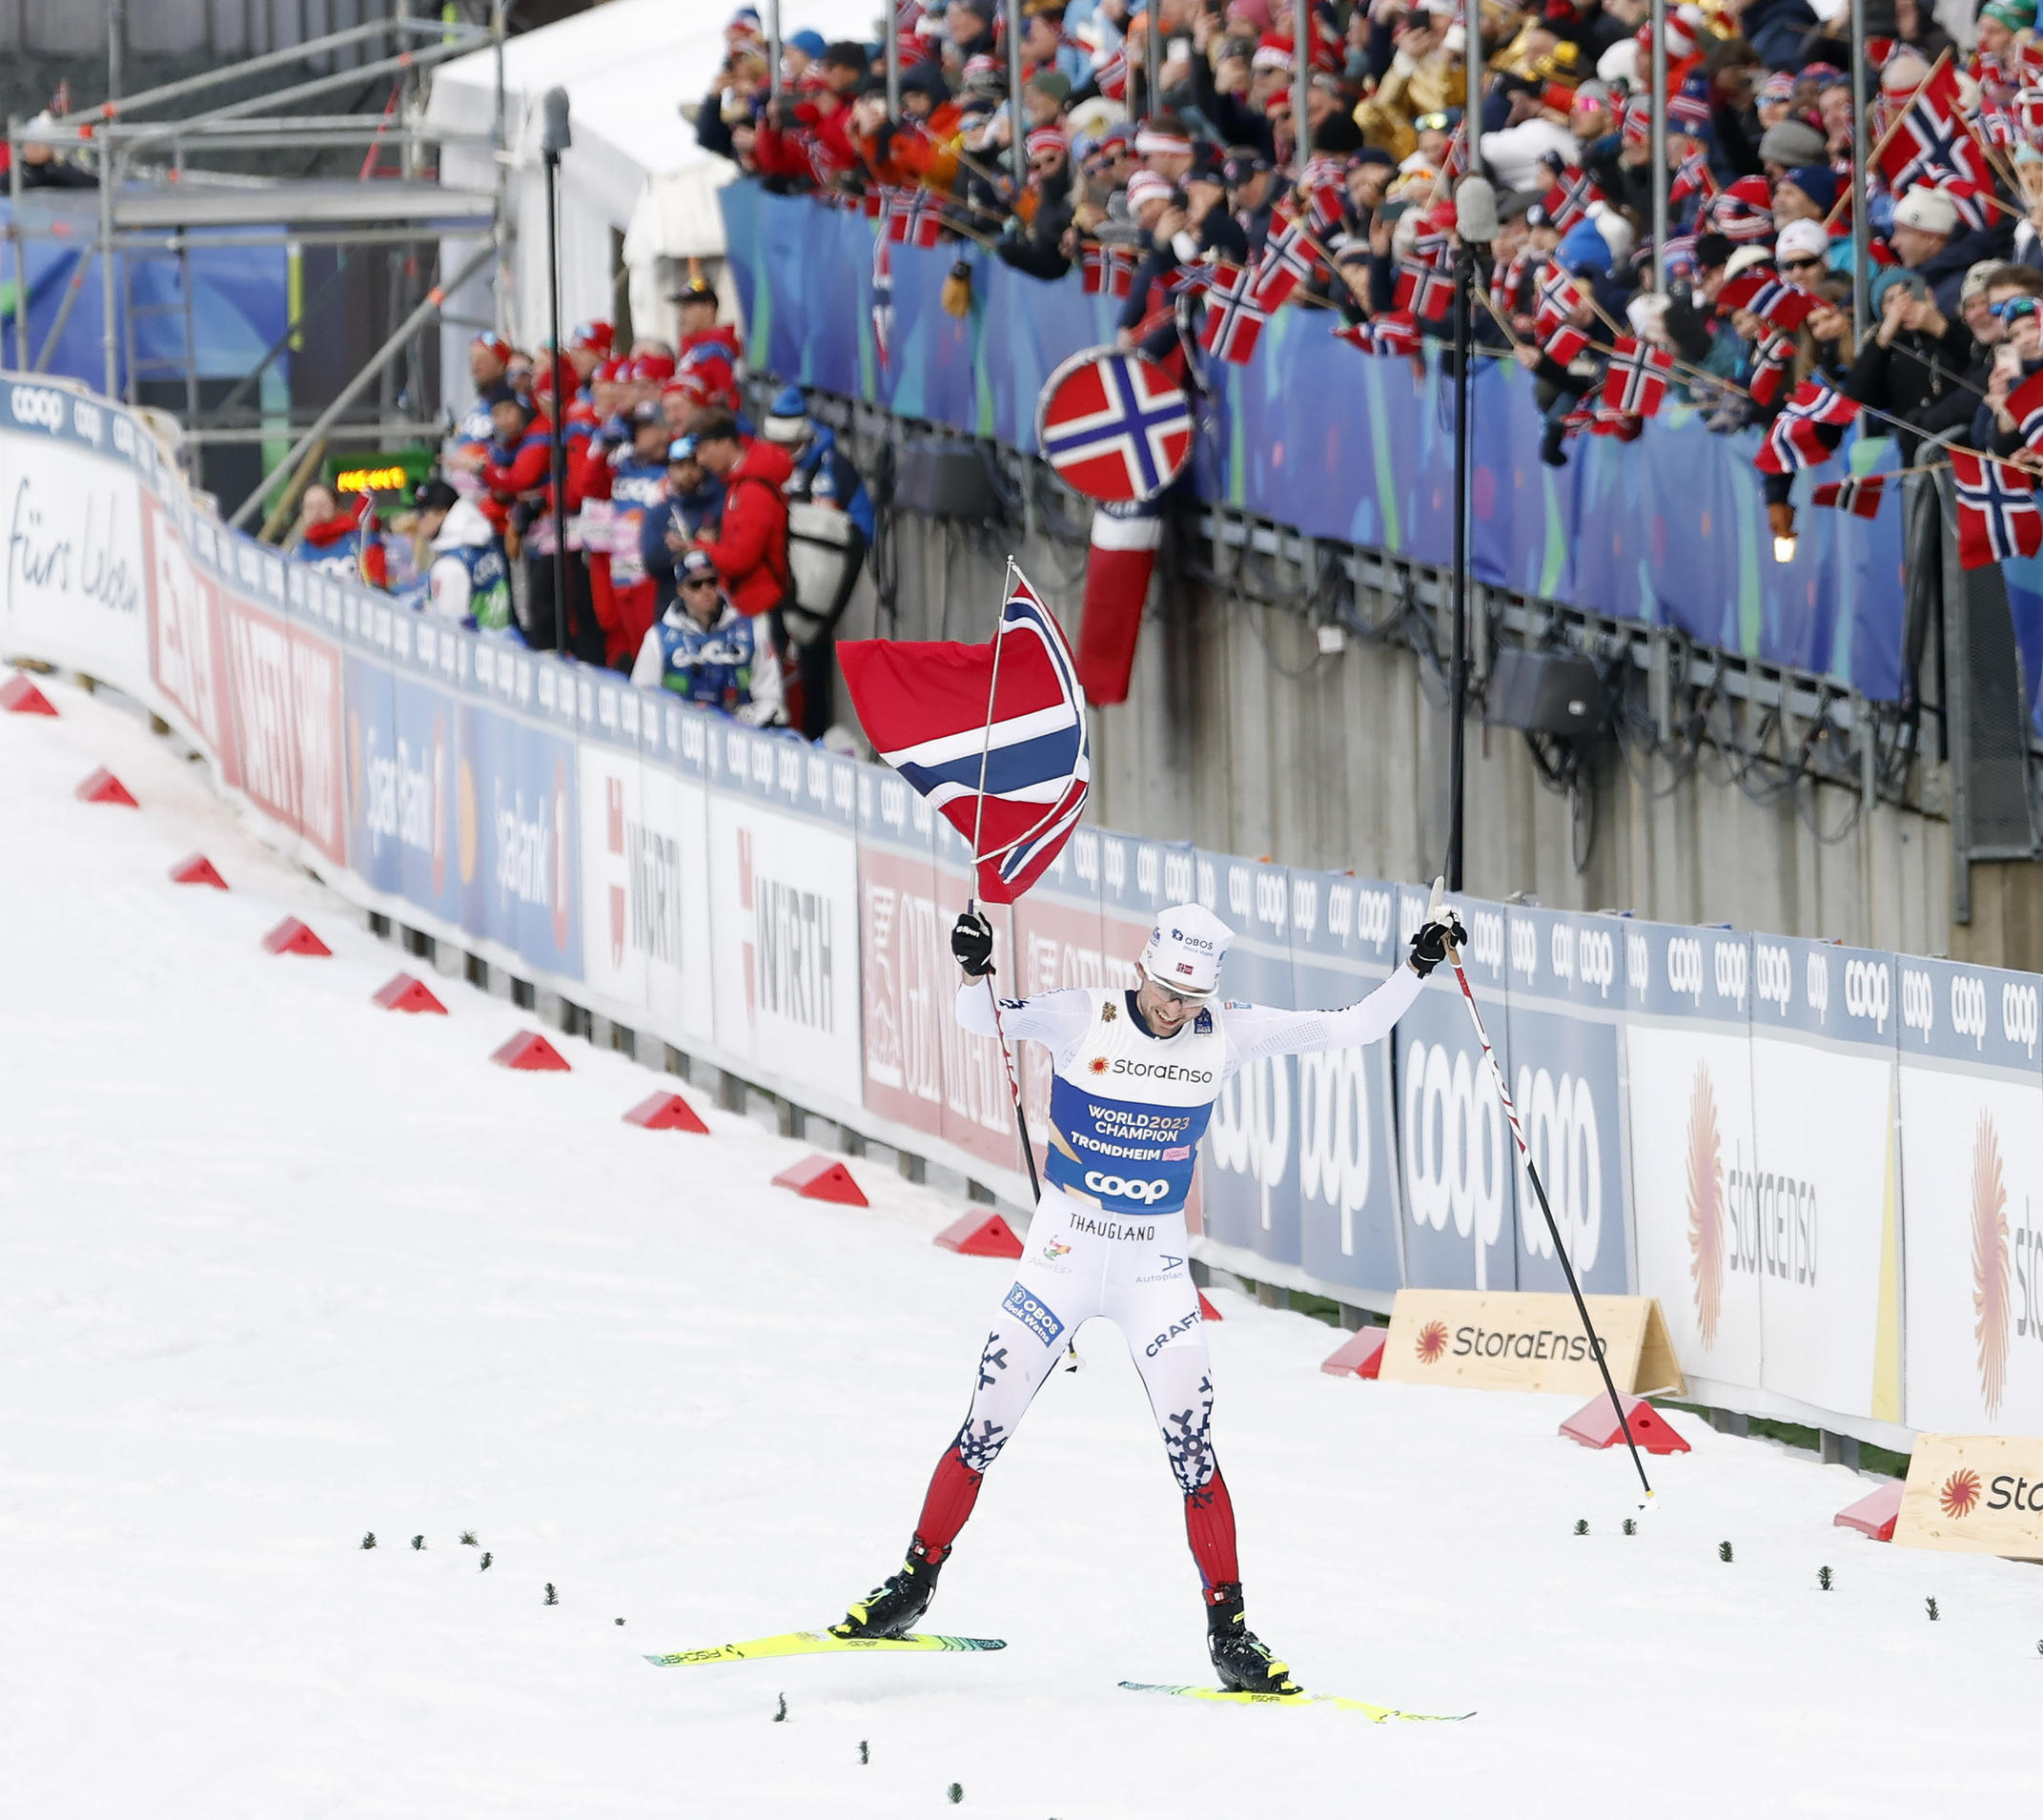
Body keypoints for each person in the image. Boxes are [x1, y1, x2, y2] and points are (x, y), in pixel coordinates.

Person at [835, 901, 1465, 1692]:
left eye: (1190, 1001)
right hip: (1061, 1258)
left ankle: (1229, 1632)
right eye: (1165, 992)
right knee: (983, 1425)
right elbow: (978, 1016)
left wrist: (1418, 964)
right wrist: (972, 965)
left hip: (1153, 1269)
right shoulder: (1080, 1015)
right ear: (1142, 969)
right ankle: (913, 1584)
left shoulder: (1228, 1032)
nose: (1173, 1012)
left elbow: (1353, 1027)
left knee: (1194, 1448)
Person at [628, 545, 785, 729]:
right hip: (677, 734)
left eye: (712, 581)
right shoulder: (659, 638)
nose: (706, 590)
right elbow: (640, 698)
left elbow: (770, 695)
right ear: (681, 590)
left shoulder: (752, 631)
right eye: (695, 584)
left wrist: (741, 724)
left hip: (740, 734)